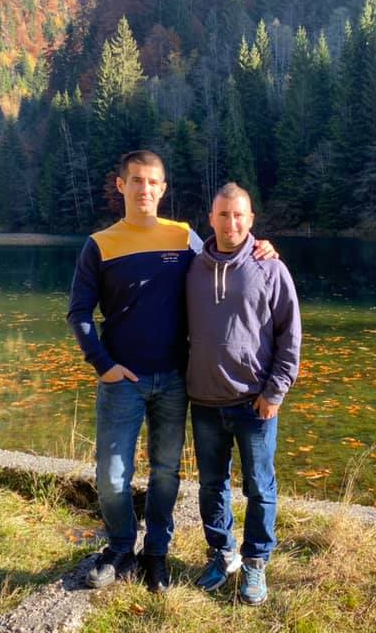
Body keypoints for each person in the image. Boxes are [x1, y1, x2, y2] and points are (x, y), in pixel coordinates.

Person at [67, 151, 275, 593]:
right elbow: (79, 313)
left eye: (153, 182)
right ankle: (121, 548)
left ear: (163, 189)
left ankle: (156, 552)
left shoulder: (182, 237)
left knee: (166, 472)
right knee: (112, 477)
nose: (144, 189)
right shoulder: (100, 244)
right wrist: (103, 364)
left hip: (175, 380)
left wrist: (261, 246)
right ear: (121, 185)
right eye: (136, 181)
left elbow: (226, 252)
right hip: (122, 381)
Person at [185, 182, 301, 606]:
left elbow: (290, 335)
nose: (230, 223)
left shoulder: (270, 268)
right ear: (210, 219)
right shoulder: (192, 264)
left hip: (255, 402)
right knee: (211, 485)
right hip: (204, 400)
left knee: (259, 487)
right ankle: (223, 554)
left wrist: (276, 392)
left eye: (239, 215)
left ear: (251, 219)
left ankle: (255, 561)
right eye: (223, 215)